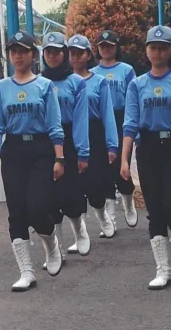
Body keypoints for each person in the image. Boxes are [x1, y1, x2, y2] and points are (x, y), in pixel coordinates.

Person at [121, 25, 171, 290]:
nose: (157, 52)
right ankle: (162, 269)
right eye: (152, 47)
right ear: (146, 50)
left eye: (162, 47)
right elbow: (130, 123)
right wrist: (124, 160)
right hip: (149, 148)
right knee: (155, 210)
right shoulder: (137, 84)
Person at [0, 31, 68, 292]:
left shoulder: (44, 86)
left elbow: (55, 125)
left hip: (41, 151)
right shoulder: (2, 87)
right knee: (17, 213)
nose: (18, 56)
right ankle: (26, 272)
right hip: (14, 152)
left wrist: (59, 157)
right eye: (13, 51)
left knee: (38, 206)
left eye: (22, 51)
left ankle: (51, 244)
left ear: (33, 55)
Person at [40, 32, 91, 258]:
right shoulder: (38, 82)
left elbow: (81, 119)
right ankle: (57, 247)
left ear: (65, 54)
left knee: (69, 195)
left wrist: (83, 151)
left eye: (57, 51)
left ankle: (79, 228)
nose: (52, 56)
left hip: (69, 138)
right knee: (49, 197)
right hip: (45, 142)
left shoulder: (76, 83)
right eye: (48, 51)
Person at [67, 34, 120, 239]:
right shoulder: (62, 82)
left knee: (94, 183)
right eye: (71, 53)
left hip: (94, 133)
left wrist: (112, 145)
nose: (76, 57)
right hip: (70, 133)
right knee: (73, 186)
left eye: (80, 53)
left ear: (89, 55)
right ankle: (80, 232)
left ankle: (102, 214)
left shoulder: (99, 82)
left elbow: (107, 114)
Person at [95, 30, 139, 228]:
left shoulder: (127, 70)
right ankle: (111, 217)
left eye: (110, 46)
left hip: (122, 120)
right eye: (102, 46)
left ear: (116, 47)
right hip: (101, 122)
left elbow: (134, 99)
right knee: (104, 172)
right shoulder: (93, 73)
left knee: (121, 169)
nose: (106, 49)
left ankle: (128, 199)